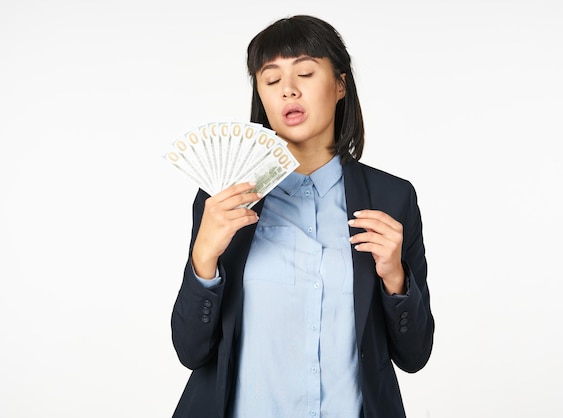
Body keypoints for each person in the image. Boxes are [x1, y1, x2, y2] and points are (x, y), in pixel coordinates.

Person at [170, 15, 434, 418]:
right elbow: (191, 352)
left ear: (340, 85)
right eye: (271, 80)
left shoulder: (392, 198)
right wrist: (203, 261)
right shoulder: (224, 200)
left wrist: (395, 279)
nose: (288, 90)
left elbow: (414, 355)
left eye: (306, 73)